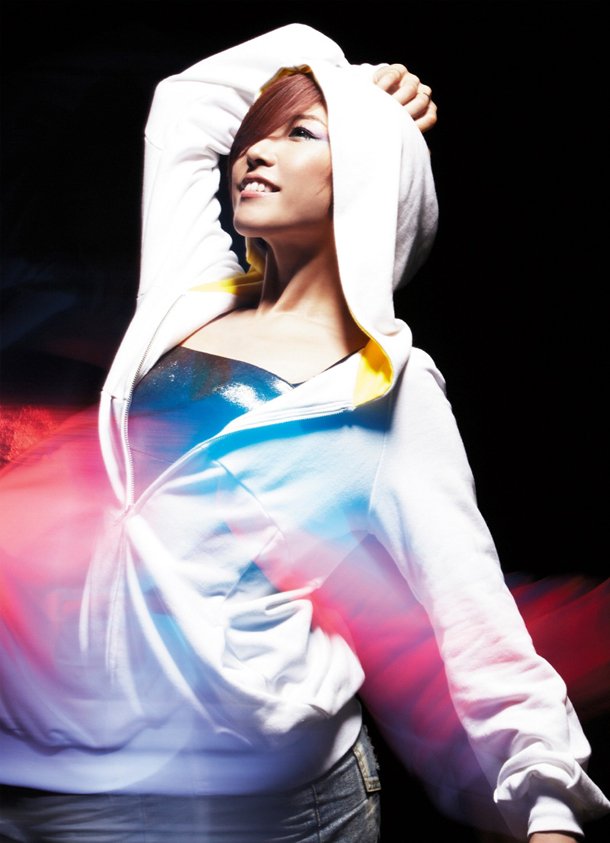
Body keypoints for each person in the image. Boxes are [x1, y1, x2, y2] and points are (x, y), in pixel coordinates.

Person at [0, 22, 608, 843]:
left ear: (368, 173)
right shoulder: (190, 291)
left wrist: (547, 807)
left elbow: (474, 619)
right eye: (256, 135)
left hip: (275, 807)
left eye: (300, 134)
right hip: (60, 783)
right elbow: (188, 104)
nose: (253, 151)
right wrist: (344, 73)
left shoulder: (390, 388)